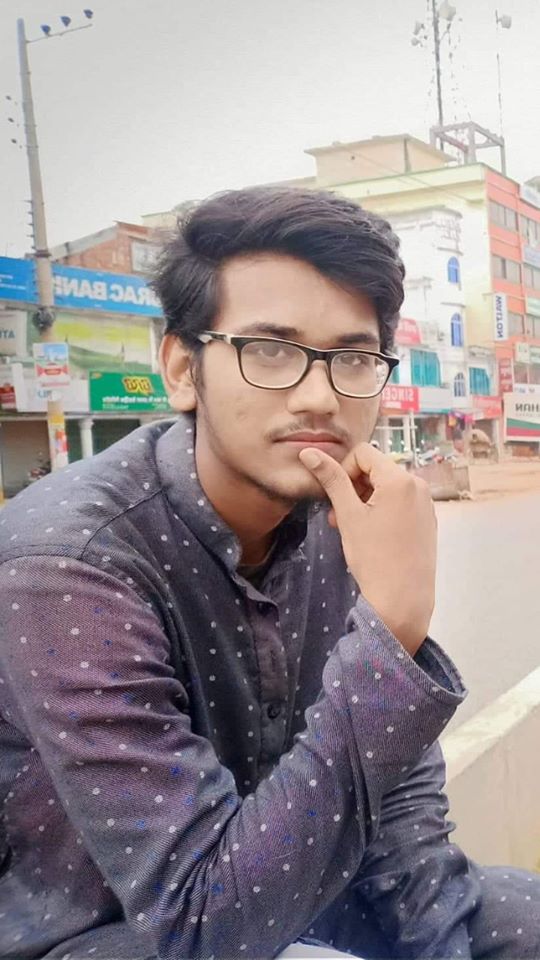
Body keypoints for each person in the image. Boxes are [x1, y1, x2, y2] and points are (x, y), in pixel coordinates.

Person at [0, 187, 538, 960]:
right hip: (111, 932)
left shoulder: (341, 518)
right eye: (270, 350)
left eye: (353, 357)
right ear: (182, 369)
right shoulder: (69, 564)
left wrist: (444, 945)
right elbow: (201, 924)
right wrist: (392, 630)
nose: (320, 396)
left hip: (310, 892)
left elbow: (399, 811)